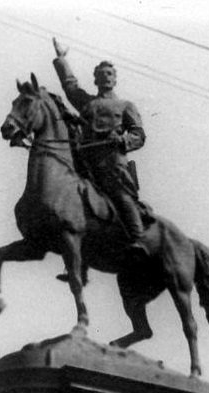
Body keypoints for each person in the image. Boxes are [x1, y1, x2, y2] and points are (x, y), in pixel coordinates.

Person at [52, 37, 148, 256]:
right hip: (85, 162)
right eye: (100, 74)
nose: (105, 77)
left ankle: (138, 240)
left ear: (115, 80)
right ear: (94, 80)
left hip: (112, 164)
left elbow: (139, 135)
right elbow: (70, 86)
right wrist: (61, 58)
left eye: (109, 74)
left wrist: (124, 140)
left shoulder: (125, 106)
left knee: (120, 196)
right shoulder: (87, 103)